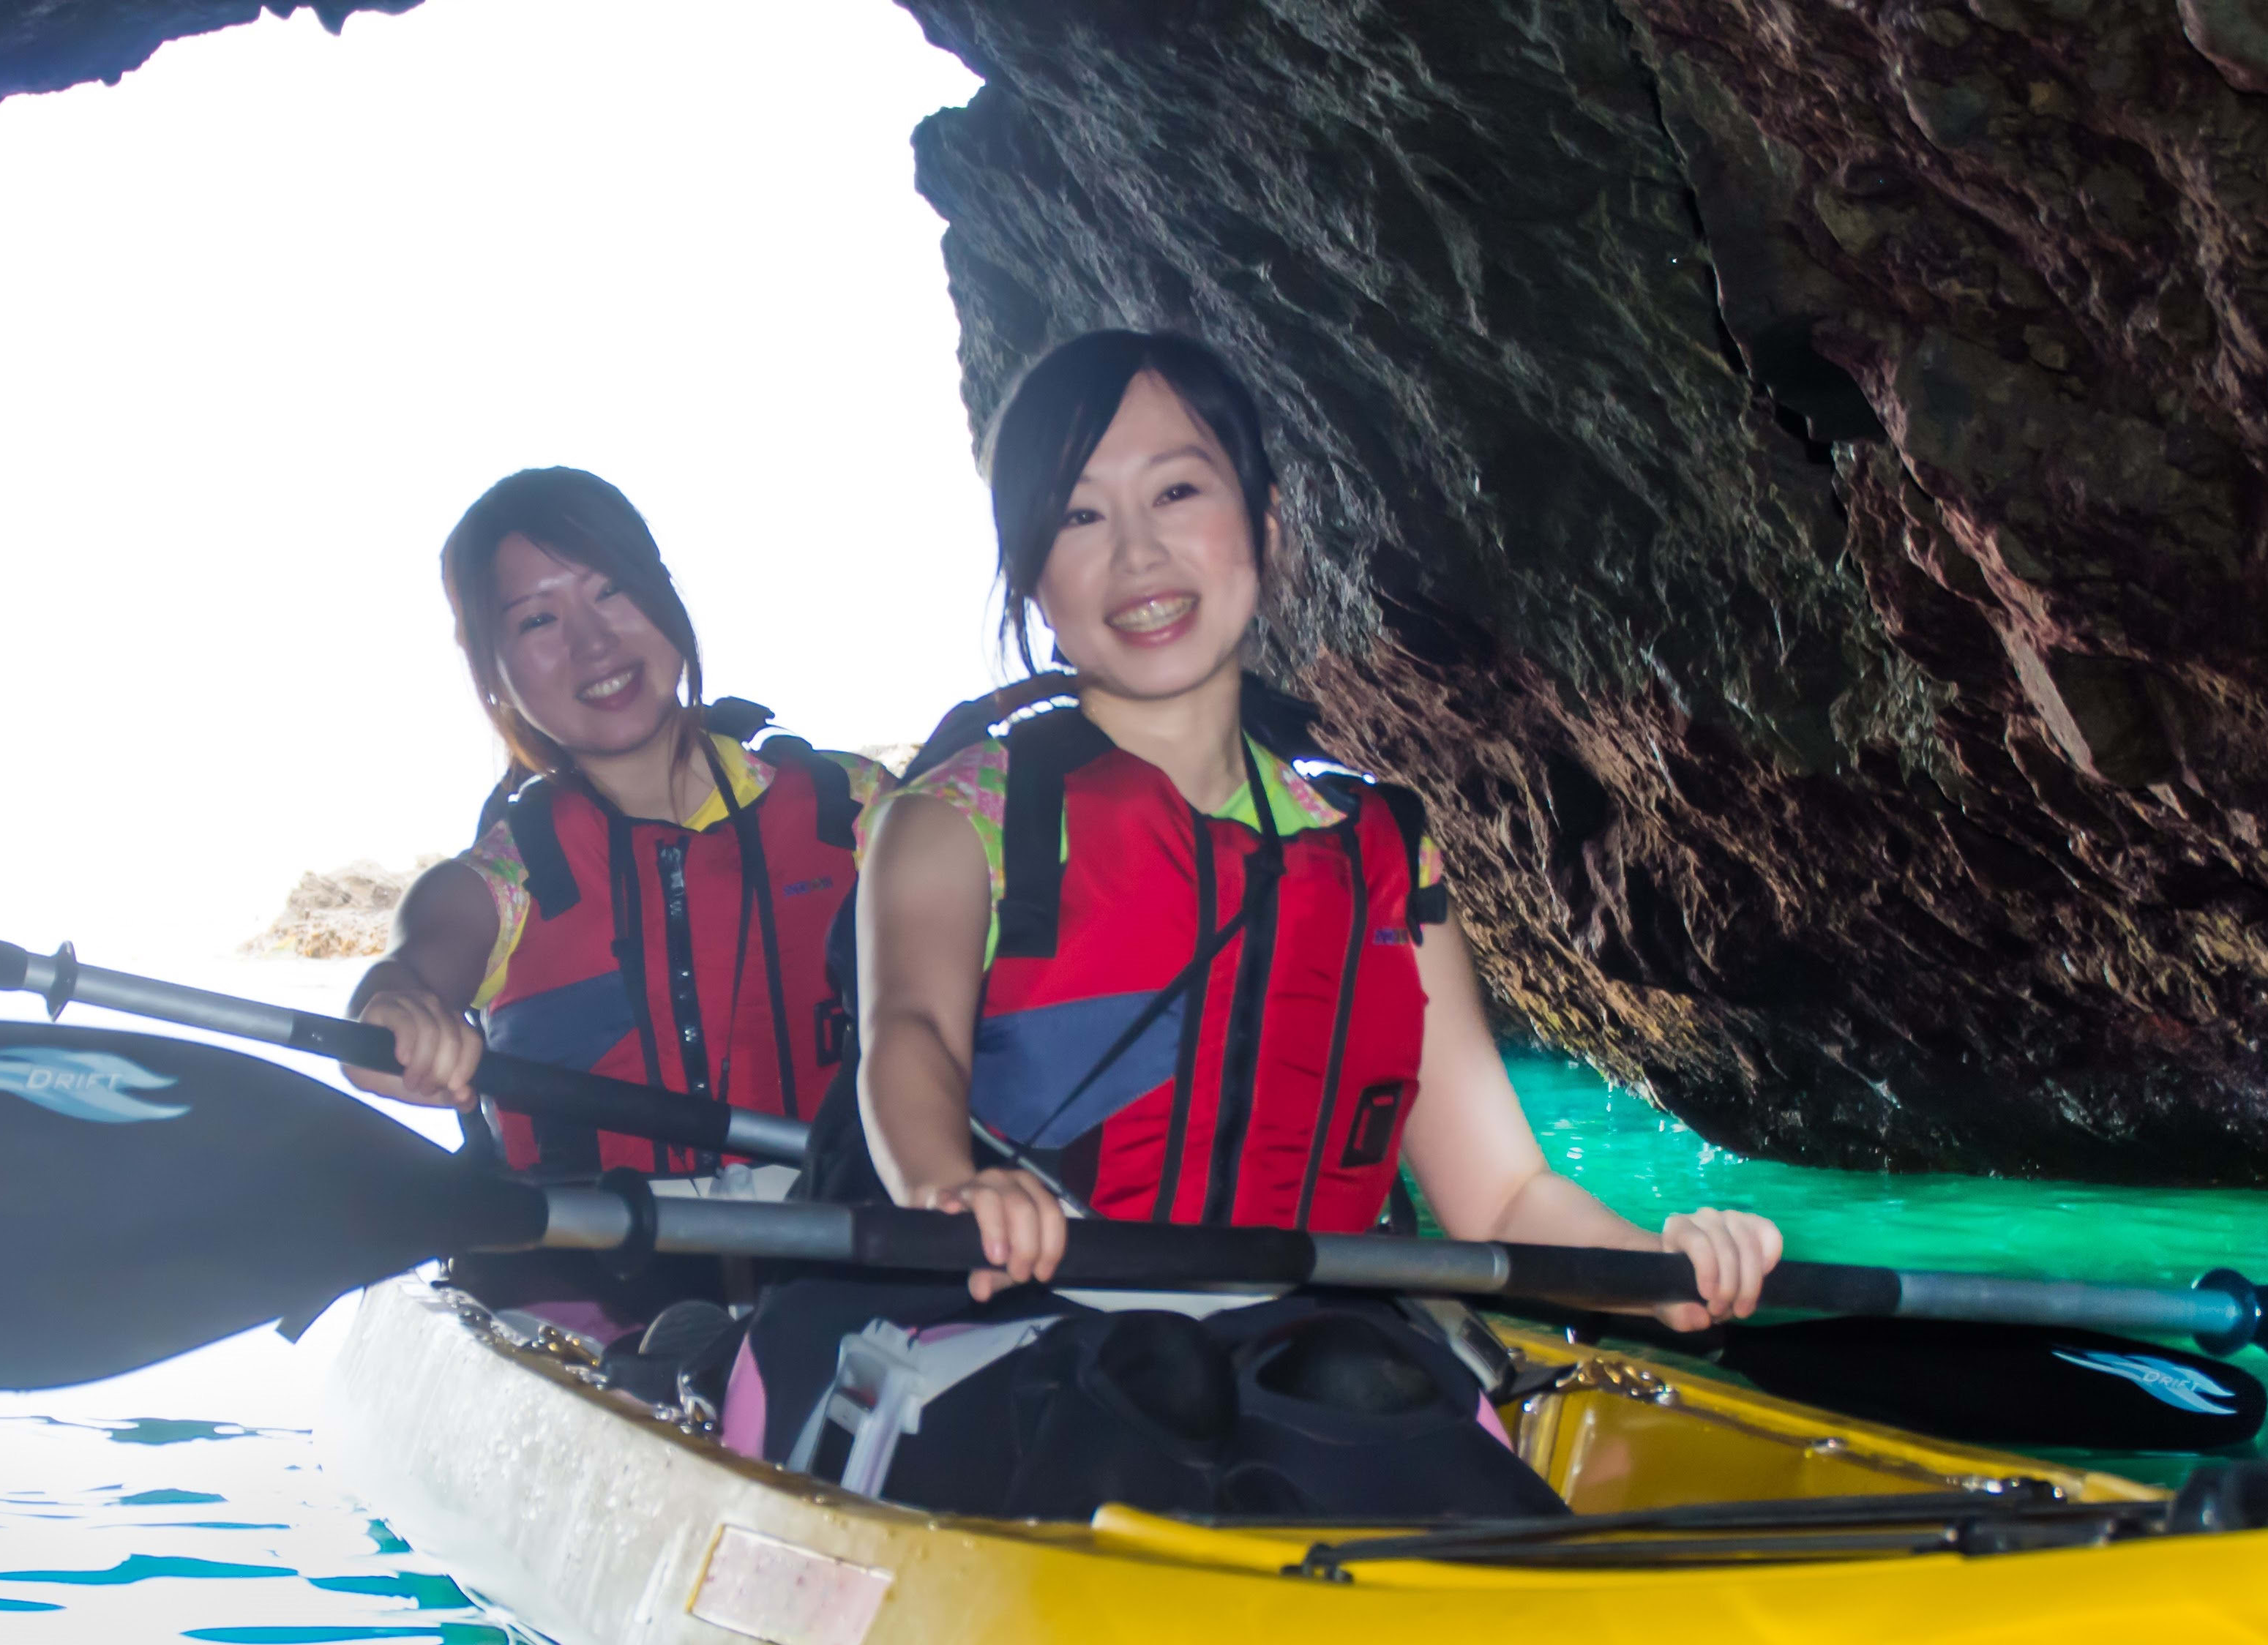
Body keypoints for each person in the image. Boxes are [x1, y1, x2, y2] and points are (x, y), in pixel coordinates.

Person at [738, 329, 1781, 1520]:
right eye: (1079, 517)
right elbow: (908, 1035)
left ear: (1268, 530)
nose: (1138, 552)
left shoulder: (1380, 852)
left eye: (1177, 490)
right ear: (1031, 575)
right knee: (1153, 1385)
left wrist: (1656, 1269)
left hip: (1301, 1340)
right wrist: (950, 1181)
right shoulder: (953, 818)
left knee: (1360, 1376)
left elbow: (1497, 1200)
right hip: (1013, 1332)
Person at [347, 468, 888, 1182]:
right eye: (537, 620)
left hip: (848, 1262)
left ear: (663, 592)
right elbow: (409, 968)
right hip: (597, 1279)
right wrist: (396, 1011)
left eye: (611, 589)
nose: (593, 642)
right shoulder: (501, 879)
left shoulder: (861, 811)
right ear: (489, 672)